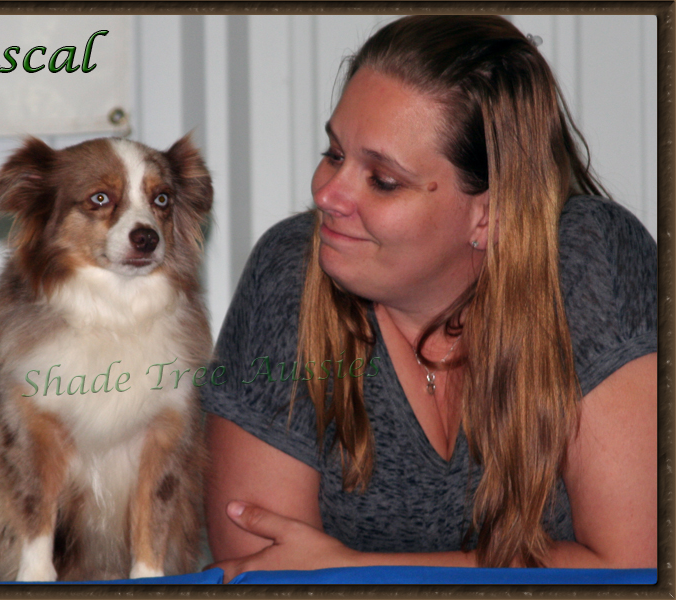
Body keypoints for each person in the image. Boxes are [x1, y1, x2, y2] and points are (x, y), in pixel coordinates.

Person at [202, 15, 657, 581]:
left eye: (383, 180)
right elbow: (261, 573)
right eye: (335, 152)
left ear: (488, 214)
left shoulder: (594, 259)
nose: (326, 192)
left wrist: (355, 571)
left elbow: (635, 566)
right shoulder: (290, 271)